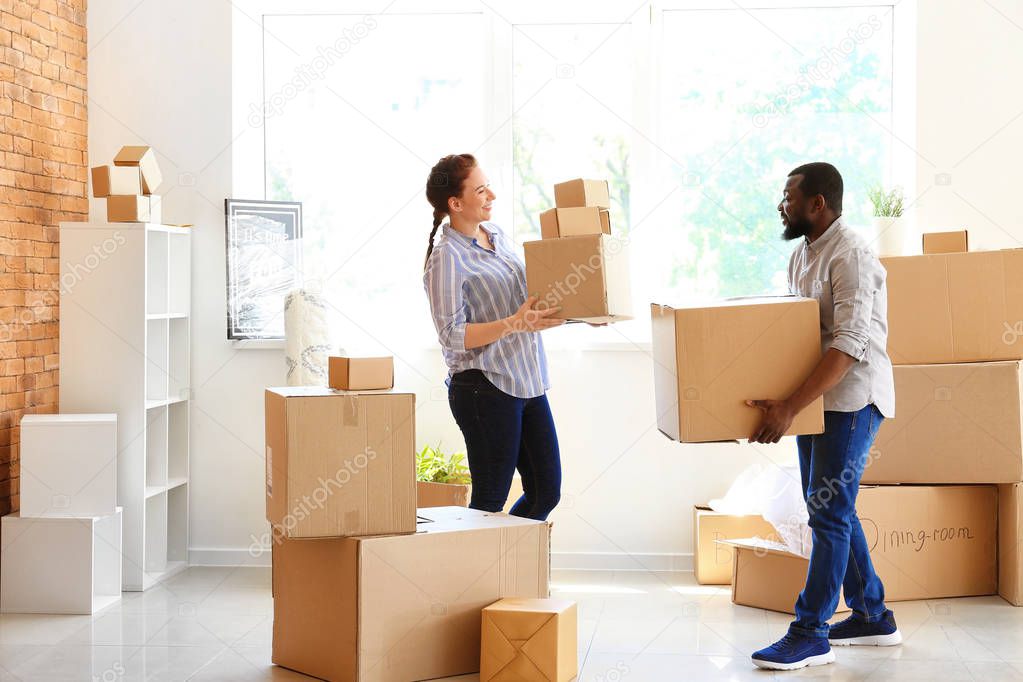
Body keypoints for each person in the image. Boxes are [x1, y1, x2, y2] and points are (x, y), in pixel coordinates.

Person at [746, 162, 901, 671]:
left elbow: (850, 345)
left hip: (854, 398)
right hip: (818, 401)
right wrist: (779, 396)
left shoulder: (851, 254)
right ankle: (872, 614)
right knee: (832, 506)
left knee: (828, 512)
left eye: (789, 196)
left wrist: (790, 406)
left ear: (819, 203)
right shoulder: (803, 254)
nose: (782, 204)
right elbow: (796, 333)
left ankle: (811, 631)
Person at [422, 153, 564, 521]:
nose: (492, 196)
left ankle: (508, 571)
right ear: (455, 203)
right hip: (484, 388)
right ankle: (475, 576)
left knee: (545, 491)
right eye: (481, 190)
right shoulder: (446, 259)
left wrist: (585, 311)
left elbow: (524, 300)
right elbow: (452, 336)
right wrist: (514, 324)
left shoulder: (496, 236)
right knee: (489, 501)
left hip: (528, 379)